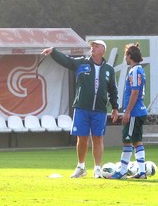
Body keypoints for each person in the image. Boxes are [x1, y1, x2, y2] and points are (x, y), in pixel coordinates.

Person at [41, 40, 119, 178]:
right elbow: (66, 60)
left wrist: (115, 107)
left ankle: (97, 169)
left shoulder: (109, 69)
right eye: (92, 46)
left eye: (96, 46)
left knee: (98, 138)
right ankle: (81, 167)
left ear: (103, 50)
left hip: (100, 109)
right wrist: (54, 51)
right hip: (82, 107)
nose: (93, 47)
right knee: (82, 138)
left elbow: (113, 89)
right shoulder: (81, 63)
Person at [109, 43, 147, 179]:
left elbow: (135, 92)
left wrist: (127, 112)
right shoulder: (139, 70)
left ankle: (123, 171)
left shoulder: (135, 71)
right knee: (137, 141)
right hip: (139, 111)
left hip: (134, 112)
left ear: (129, 56)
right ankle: (142, 171)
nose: (125, 58)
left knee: (127, 140)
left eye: (126, 55)